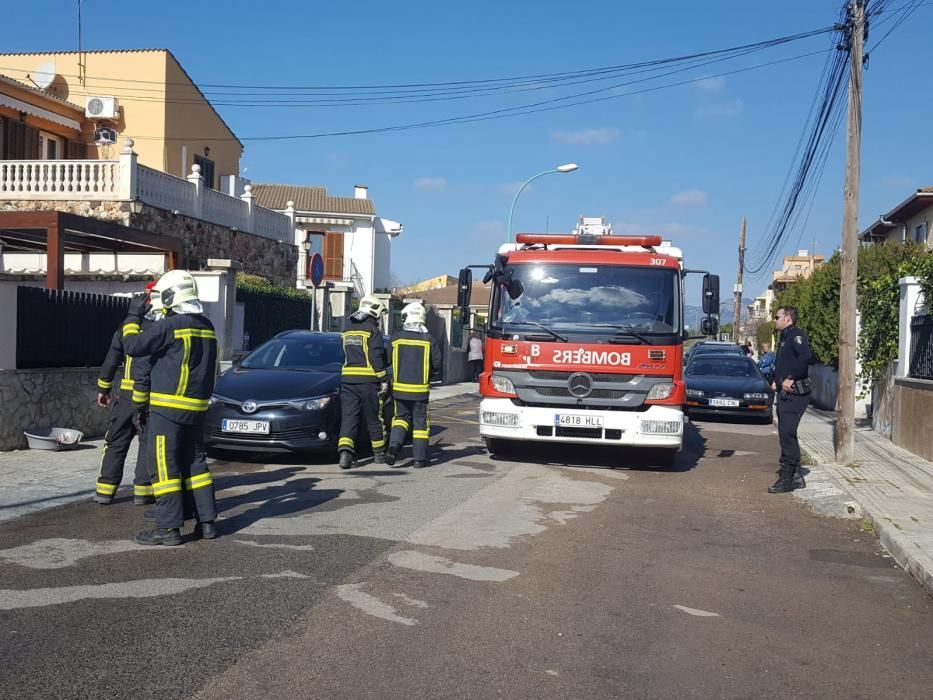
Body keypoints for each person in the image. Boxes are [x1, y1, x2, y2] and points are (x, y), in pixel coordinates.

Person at [121, 270, 219, 545]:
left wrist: (133, 316)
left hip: (168, 409)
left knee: (164, 468)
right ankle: (207, 523)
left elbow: (132, 346)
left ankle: (168, 529)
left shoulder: (170, 326)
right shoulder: (207, 326)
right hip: (197, 409)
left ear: (170, 296)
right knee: (196, 465)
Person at [93, 281, 157, 506]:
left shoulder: (127, 326)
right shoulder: (164, 329)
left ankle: (105, 491)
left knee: (116, 441)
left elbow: (112, 358)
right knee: (147, 443)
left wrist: (104, 388)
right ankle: (143, 492)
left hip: (125, 397)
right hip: (150, 397)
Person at [385, 302, 441, 469]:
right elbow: (437, 364)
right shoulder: (429, 339)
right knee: (420, 424)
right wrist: (430, 377)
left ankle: (394, 447)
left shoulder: (396, 338)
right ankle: (419, 459)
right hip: (420, 391)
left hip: (400, 389)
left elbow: (386, 360)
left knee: (400, 419)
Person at [337, 295, 389, 469]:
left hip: (347, 380)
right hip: (368, 381)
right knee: (374, 417)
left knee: (349, 418)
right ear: (374, 311)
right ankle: (379, 454)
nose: (379, 319)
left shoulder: (347, 329)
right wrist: (383, 378)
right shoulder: (372, 330)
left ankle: (345, 453)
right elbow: (376, 357)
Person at [769, 306, 812, 493]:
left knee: (787, 433)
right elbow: (784, 362)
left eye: (777, 316)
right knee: (785, 433)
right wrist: (777, 381)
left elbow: (805, 357)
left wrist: (791, 377)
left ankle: (787, 479)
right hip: (784, 392)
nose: (774, 320)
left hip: (795, 393)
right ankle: (796, 477)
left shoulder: (796, 335)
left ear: (787, 318)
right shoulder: (785, 337)